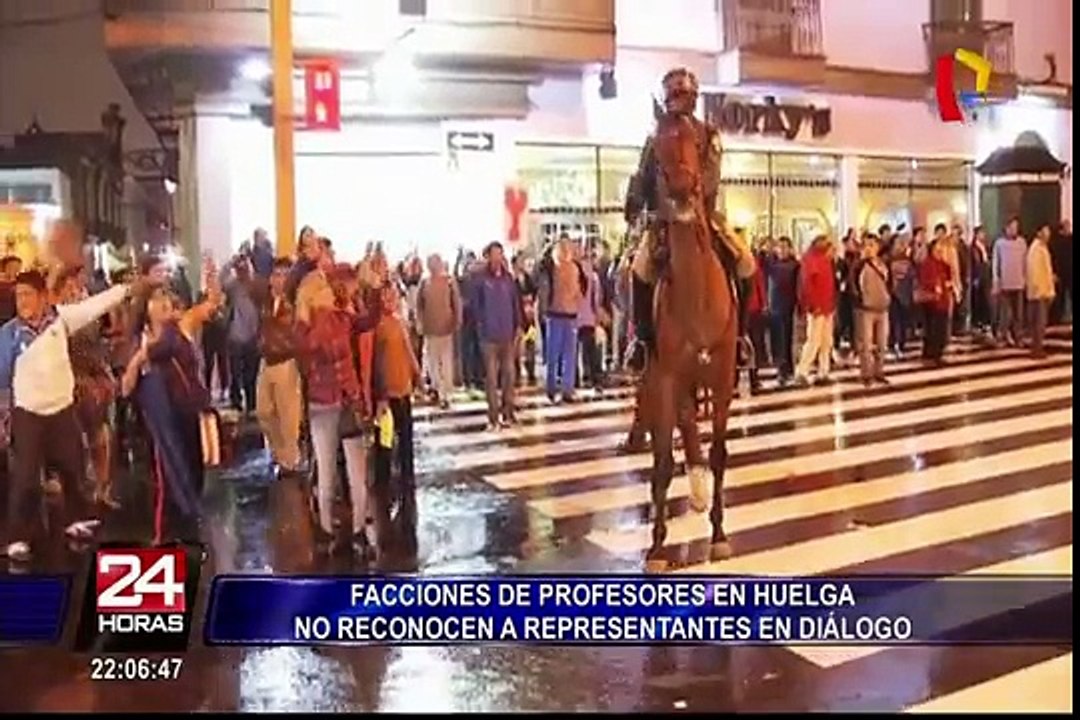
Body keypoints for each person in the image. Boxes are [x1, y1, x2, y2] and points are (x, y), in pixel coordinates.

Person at [622, 67, 755, 373]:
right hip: (663, 221)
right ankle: (642, 342)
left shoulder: (709, 134)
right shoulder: (655, 137)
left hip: (704, 216)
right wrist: (635, 201)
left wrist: (690, 195)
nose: (678, 102)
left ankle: (740, 336)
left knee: (746, 262)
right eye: (673, 96)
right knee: (639, 270)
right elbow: (643, 175)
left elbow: (711, 175)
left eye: (683, 96)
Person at [1, 270, 133, 561]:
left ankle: (75, 521)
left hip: (61, 411)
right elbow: (1, 377)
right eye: (18, 296)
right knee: (25, 479)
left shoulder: (61, 320)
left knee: (73, 467)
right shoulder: (9, 334)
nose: (22, 301)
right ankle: (18, 537)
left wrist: (124, 289)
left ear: (42, 296)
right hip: (28, 414)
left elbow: (94, 306)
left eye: (27, 295)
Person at [295, 257, 379, 559]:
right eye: (323, 288)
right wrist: (319, 315)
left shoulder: (342, 317)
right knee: (327, 473)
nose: (331, 291)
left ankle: (359, 530)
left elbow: (368, 321)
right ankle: (326, 531)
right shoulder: (307, 327)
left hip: (347, 400)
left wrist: (374, 290)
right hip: (322, 404)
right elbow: (317, 350)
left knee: (358, 473)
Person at [52, 268, 120, 509]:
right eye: (70, 287)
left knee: (101, 437)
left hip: (94, 382)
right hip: (68, 384)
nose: (76, 291)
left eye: (79, 287)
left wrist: (104, 374)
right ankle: (72, 491)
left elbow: (102, 342)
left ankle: (102, 490)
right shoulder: (55, 320)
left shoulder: (90, 315)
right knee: (70, 441)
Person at [255, 258, 302, 474]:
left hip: (286, 361)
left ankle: (290, 461)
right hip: (267, 360)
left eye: (284, 275)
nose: (279, 280)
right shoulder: (265, 301)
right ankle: (279, 453)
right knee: (264, 411)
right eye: (276, 275)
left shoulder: (293, 302)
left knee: (288, 416)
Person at [475, 242, 523, 430]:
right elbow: (476, 307)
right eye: (494, 254)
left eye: (500, 254)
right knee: (492, 378)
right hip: (489, 336)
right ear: (488, 257)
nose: (497, 258)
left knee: (509, 375)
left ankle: (508, 411)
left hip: (507, 334)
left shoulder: (508, 279)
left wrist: (518, 325)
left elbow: (515, 303)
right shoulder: (480, 280)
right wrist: (481, 328)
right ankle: (493, 416)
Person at [543, 236, 585, 403]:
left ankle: (567, 388)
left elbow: (580, 290)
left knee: (569, 355)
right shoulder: (551, 268)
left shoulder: (575, 268)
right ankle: (552, 387)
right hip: (555, 314)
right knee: (554, 354)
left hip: (569, 315)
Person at [416, 254, 461, 409]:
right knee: (433, 362)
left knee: (445, 362)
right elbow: (419, 305)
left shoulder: (449, 281)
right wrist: (420, 323)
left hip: (446, 328)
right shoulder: (425, 283)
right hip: (431, 329)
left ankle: (445, 393)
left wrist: (457, 321)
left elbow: (456, 303)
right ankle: (437, 389)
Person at [794, 235, 837, 385]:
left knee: (827, 341)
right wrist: (812, 305)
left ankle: (823, 372)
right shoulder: (809, 259)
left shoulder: (826, 259)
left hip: (828, 306)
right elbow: (807, 285)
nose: (826, 243)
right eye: (823, 240)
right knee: (813, 341)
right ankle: (802, 371)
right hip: (817, 308)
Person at [857, 235, 891, 385]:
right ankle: (866, 374)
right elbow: (853, 284)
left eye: (872, 245)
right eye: (867, 245)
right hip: (866, 309)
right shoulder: (859, 266)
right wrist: (860, 300)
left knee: (882, 343)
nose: (870, 248)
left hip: (883, 308)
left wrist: (888, 297)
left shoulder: (883, 265)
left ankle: (879, 371)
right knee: (866, 343)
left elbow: (889, 283)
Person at [766, 237, 799, 385]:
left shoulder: (794, 266)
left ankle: (787, 368)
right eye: (780, 247)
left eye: (785, 247)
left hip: (788, 305)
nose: (782, 250)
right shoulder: (772, 264)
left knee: (787, 338)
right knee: (778, 340)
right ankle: (782, 368)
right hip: (775, 306)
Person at [917, 239, 954, 366]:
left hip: (943, 300)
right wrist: (933, 286)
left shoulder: (944, 264)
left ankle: (938, 353)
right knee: (932, 329)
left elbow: (949, 279)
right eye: (937, 248)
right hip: (931, 301)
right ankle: (930, 354)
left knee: (941, 329)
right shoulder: (926, 264)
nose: (940, 250)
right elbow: (923, 281)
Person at [992, 216, 1027, 347]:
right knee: (1005, 313)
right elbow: (996, 263)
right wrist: (996, 280)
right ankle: (1002, 336)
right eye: (1012, 227)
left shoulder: (1022, 243)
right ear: (1006, 228)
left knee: (1019, 314)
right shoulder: (999, 243)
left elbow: (1025, 262)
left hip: (1019, 282)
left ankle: (1018, 337)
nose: (1014, 230)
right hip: (1005, 284)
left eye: (1016, 227)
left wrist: (1025, 278)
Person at [1026, 223, 1055, 358]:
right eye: (1045, 231)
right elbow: (1035, 273)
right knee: (1039, 322)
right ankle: (1036, 348)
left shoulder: (1043, 248)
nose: (1048, 234)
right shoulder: (1036, 249)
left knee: (1041, 322)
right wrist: (1042, 290)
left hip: (1044, 290)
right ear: (1039, 233)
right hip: (1039, 293)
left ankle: (1038, 347)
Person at [1049, 219, 1072, 325]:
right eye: (1066, 226)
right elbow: (1053, 258)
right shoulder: (1055, 242)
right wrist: (1053, 272)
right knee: (1059, 297)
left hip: (1070, 272)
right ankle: (1056, 319)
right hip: (1059, 273)